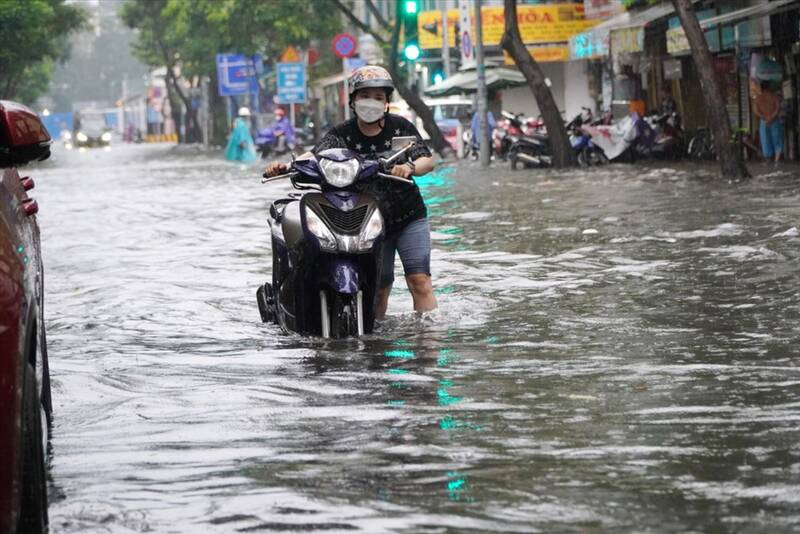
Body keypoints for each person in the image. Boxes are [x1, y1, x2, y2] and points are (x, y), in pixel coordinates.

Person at [263, 65, 437, 319]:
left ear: (387, 102)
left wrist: (408, 167)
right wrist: (286, 167)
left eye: (379, 97)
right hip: (367, 220)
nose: (372, 103)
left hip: (409, 216)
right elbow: (314, 155)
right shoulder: (341, 134)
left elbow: (427, 160)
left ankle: (428, 342)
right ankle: (375, 345)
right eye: (365, 96)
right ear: (353, 101)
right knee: (378, 289)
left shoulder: (400, 128)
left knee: (419, 280)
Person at [753, 82, 784, 163]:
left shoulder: (758, 98)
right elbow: (778, 107)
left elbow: (756, 110)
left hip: (764, 121)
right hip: (774, 120)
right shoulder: (774, 97)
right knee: (776, 138)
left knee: (765, 139)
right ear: (769, 87)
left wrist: (764, 117)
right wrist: (772, 116)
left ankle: (768, 157)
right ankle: (777, 158)